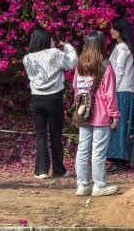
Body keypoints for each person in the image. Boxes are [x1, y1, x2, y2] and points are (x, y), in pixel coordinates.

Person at [23, 25, 77, 179]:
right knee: (55, 135)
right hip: (54, 98)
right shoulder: (54, 53)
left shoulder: (27, 58)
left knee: (41, 136)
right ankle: (59, 170)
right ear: (47, 40)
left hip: (36, 99)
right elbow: (71, 63)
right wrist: (66, 46)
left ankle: (41, 170)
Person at [73, 31, 120, 197]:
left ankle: (82, 185)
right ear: (101, 45)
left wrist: (80, 107)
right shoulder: (105, 65)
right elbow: (110, 94)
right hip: (100, 114)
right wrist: (114, 114)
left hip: (84, 111)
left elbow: (76, 89)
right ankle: (99, 185)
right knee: (98, 151)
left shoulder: (80, 65)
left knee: (83, 149)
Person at [106, 17, 134, 172]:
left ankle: (119, 159)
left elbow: (117, 72)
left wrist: (109, 92)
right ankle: (122, 157)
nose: (111, 31)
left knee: (118, 122)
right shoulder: (124, 47)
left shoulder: (121, 48)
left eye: (114, 28)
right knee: (125, 122)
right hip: (126, 89)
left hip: (120, 90)